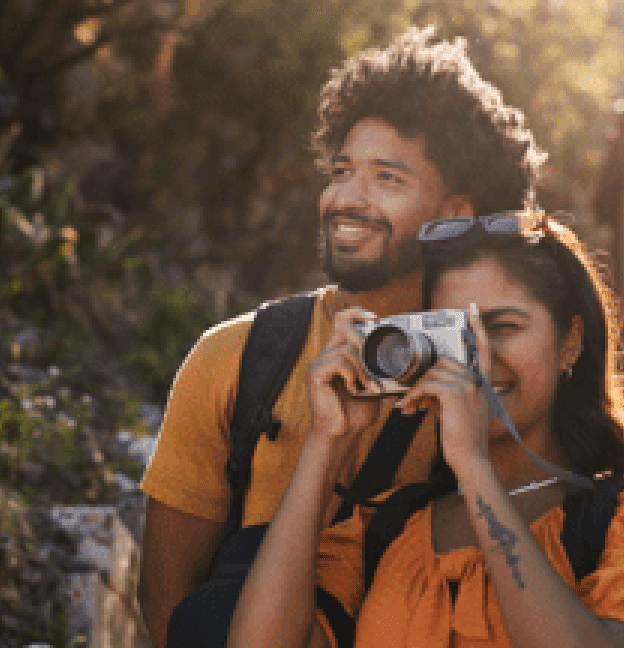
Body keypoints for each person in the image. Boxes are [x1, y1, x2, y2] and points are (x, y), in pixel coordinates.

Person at [139, 27, 545, 647]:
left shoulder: (502, 379)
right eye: (341, 171)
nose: (346, 198)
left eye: (387, 178)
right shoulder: (236, 360)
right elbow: (168, 605)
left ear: (454, 215)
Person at [227, 211, 624, 648]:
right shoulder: (384, 528)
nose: (478, 359)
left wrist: (474, 468)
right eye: (455, 334)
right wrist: (325, 441)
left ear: (570, 342)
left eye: (503, 327)